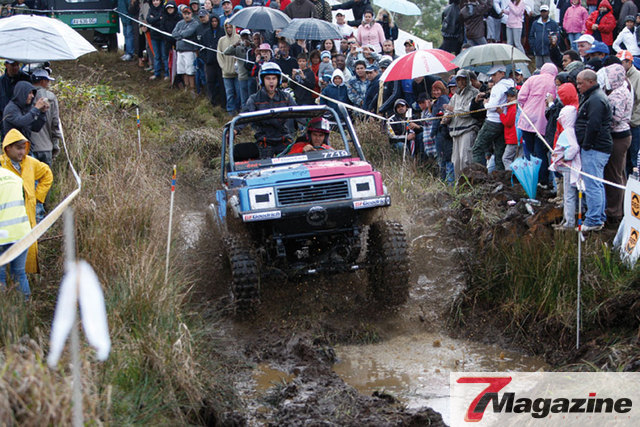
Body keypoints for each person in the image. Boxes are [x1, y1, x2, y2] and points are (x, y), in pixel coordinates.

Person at [0, 128, 52, 274]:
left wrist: (37, 197)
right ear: (8, 148)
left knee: (22, 268)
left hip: (26, 218)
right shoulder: (2, 164)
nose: (22, 152)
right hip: (5, 222)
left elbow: (47, 174)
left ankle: (24, 283)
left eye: (24, 148)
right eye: (18, 148)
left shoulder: (30, 163)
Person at [575, 69, 612, 231]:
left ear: (591, 82)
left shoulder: (596, 99)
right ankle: (598, 217)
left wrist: (586, 144)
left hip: (595, 147)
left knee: (592, 184)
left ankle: (593, 220)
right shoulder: (592, 96)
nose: (578, 87)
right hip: (596, 146)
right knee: (596, 183)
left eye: (580, 83)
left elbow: (594, 125)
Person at [237, 63, 297, 157]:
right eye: (268, 79)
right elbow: (245, 116)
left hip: (283, 138)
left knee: (293, 159)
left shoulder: (286, 97)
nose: (271, 82)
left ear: (278, 80)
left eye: (274, 78)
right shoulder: (255, 99)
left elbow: (299, 113)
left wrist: (312, 122)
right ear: (262, 80)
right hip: (264, 140)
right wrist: (235, 129)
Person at [517, 63, 558, 187]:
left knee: (529, 151)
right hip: (544, 121)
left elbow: (521, 97)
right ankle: (543, 180)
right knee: (541, 152)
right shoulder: (555, 82)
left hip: (528, 119)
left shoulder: (532, 79)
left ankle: (530, 179)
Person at [549, 83, 581, 230]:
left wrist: (564, 158)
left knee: (569, 194)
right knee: (570, 194)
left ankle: (569, 223)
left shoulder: (568, 131)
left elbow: (573, 147)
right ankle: (567, 220)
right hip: (569, 163)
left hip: (569, 165)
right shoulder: (573, 113)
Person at [603, 64, 632, 225]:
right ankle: (623, 206)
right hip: (623, 134)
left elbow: (615, 117)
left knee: (613, 174)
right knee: (620, 173)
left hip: (618, 136)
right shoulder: (623, 88)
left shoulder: (618, 94)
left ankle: (614, 211)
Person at [473, 65, 514, 171]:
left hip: (492, 121)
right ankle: (501, 176)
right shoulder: (511, 84)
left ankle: (479, 175)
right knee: (499, 153)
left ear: (502, 73)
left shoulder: (498, 87)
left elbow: (492, 106)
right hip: (503, 121)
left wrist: (485, 103)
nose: (492, 77)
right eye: (492, 75)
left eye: (495, 75)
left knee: (477, 149)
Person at [0, 167, 31, 299]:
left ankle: (3, 307)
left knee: (0, 275)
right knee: (19, 273)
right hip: (21, 232)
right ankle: (26, 303)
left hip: (2, 235)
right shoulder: (14, 177)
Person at [443, 69, 480, 178]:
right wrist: (446, 117)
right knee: (456, 161)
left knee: (466, 159)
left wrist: (453, 110)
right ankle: (459, 184)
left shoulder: (474, 93)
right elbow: (448, 110)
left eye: (463, 79)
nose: (461, 82)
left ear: (467, 79)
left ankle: (469, 183)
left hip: (468, 129)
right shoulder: (455, 96)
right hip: (455, 132)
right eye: (458, 79)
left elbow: (469, 111)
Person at [30, 69, 61, 168]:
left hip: (29, 148)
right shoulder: (51, 97)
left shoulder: (26, 96)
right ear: (43, 81)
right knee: (46, 177)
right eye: (47, 81)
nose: (48, 83)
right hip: (46, 147)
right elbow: (55, 123)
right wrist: (55, 146)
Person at [617, 50, 640, 175]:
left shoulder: (637, 77)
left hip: (634, 124)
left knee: (633, 157)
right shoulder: (620, 76)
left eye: (622, 62)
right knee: (624, 159)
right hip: (625, 122)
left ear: (629, 62)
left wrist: (634, 120)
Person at [171, 6, 199, 92]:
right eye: (185, 13)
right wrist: (180, 35)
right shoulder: (179, 23)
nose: (186, 15)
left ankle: (192, 89)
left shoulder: (195, 23)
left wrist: (179, 34)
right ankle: (186, 87)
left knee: (190, 71)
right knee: (182, 71)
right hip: (179, 50)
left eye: (188, 13)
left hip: (190, 51)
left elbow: (188, 33)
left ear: (191, 14)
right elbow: (173, 33)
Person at [217, 22, 241, 115]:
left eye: (230, 27)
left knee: (239, 93)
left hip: (237, 72)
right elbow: (219, 55)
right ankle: (230, 111)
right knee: (229, 93)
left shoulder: (238, 38)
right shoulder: (222, 40)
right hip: (226, 72)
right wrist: (223, 67)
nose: (229, 29)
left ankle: (238, 110)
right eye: (227, 28)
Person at [0, 60, 30, 131]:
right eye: (13, 65)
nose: (16, 67)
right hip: (5, 124)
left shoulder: (26, 79)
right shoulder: (1, 82)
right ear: (6, 65)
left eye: (17, 65)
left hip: (22, 123)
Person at [498, 87, 520, 170]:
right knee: (516, 159)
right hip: (516, 138)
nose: (509, 98)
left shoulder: (514, 108)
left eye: (512, 96)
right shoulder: (512, 107)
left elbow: (508, 122)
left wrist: (501, 114)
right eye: (508, 96)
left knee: (506, 158)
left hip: (513, 138)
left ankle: (511, 174)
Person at [147, 0, 169, 80]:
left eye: (157, 0)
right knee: (156, 56)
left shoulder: (164, 9)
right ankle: (157, 73)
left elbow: (163, 20)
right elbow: (149, 20)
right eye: (153, 0)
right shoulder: (150, 9)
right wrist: (158, 18)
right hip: (154, 36)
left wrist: (154, 19)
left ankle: (167, 74)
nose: (155, 2)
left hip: (163, 36)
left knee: (164, 56)